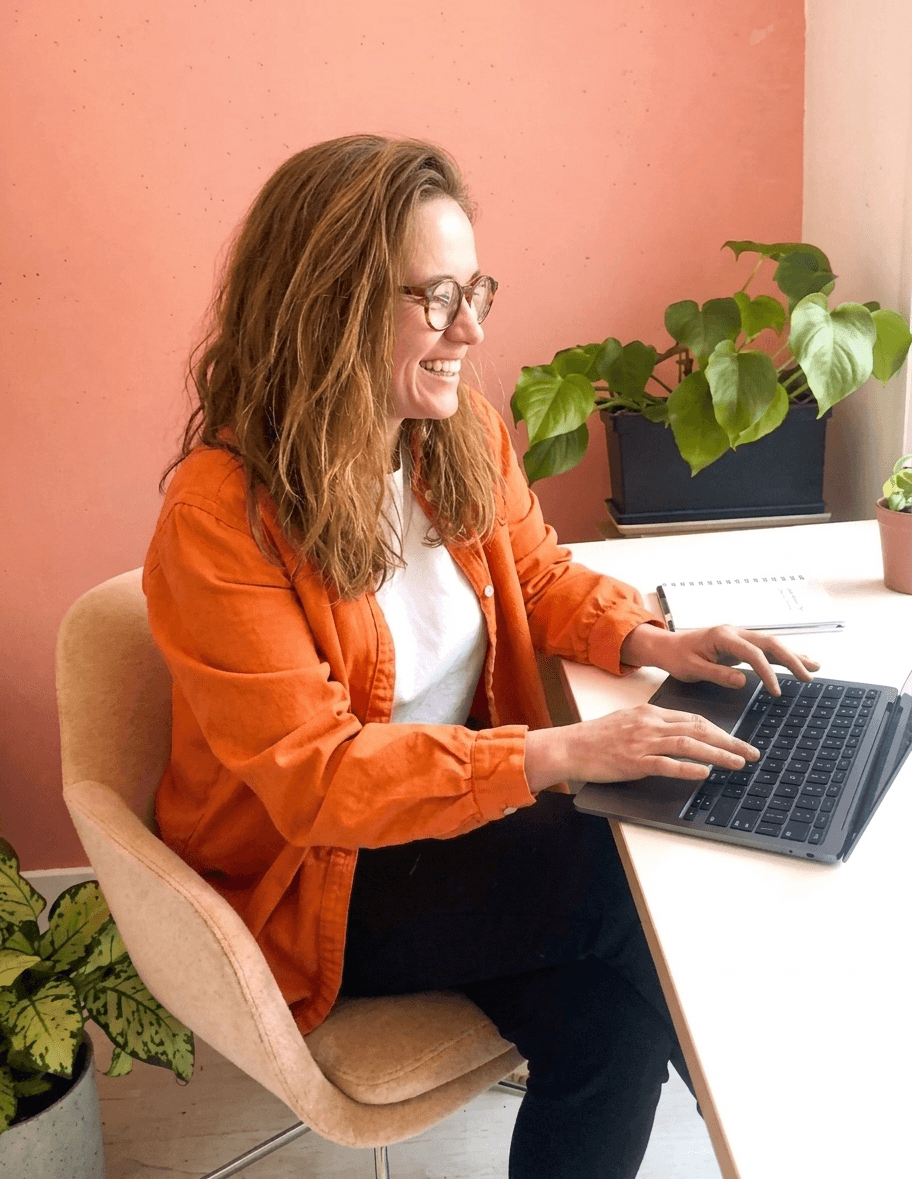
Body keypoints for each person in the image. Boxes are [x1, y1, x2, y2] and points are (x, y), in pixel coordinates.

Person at [144, 135, 819, 1179]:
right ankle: (796, 1141)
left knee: (613, 1020)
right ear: (330, 306)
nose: (473, 328)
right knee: (626, 873)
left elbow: (535, 574)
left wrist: (650, 636)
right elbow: (317, 780)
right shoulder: (220, 518)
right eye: (437, 297)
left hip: (451, 821)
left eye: (477, 289)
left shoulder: (455, 434)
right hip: (318, 879)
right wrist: (560, 754)